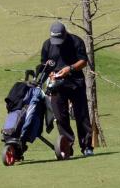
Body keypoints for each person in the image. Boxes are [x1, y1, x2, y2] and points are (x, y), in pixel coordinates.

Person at [41, 21, 93, 156]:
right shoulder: (47, 44)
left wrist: (69, 69)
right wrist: (50, 73)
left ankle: (87, 147)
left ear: (65, 34)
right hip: (57, 86)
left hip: (76, 83)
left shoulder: (76, 41)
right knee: (60, 117)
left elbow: (83, 61)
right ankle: (67, 146)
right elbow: (44, 64)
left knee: (82, 116)